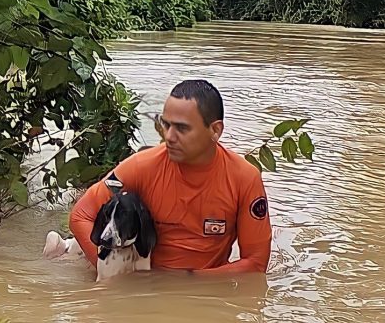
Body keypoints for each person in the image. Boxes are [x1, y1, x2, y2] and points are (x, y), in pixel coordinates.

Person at [67, 79, 272, 275]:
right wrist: (111, 273)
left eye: (182, 128)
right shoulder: (141, 167)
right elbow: (81, 215)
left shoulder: (244, 178)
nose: (169, 137)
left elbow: (255, 264)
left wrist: (183, 283)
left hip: (204, 288)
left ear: (215, 130)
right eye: (166, 125)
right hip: (145, 286)